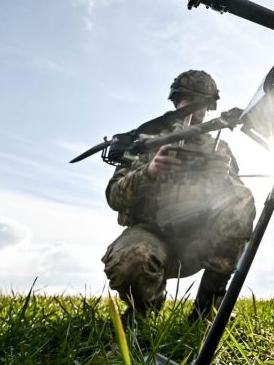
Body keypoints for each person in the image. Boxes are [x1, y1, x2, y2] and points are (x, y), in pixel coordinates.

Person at [101, 70, 256, 320]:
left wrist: (222, 178)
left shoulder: (219, 148)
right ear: (176, 101)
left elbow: (239, 203)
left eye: (201, 102)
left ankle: (207, 310)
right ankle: (143, 314)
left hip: (198, 241)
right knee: (132, 260)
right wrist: (148, 171)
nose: (193, 107)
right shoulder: (146, 142)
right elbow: (114, 196)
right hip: (151, 233)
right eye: (186, 99)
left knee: (242, 202)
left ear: (209, 107)